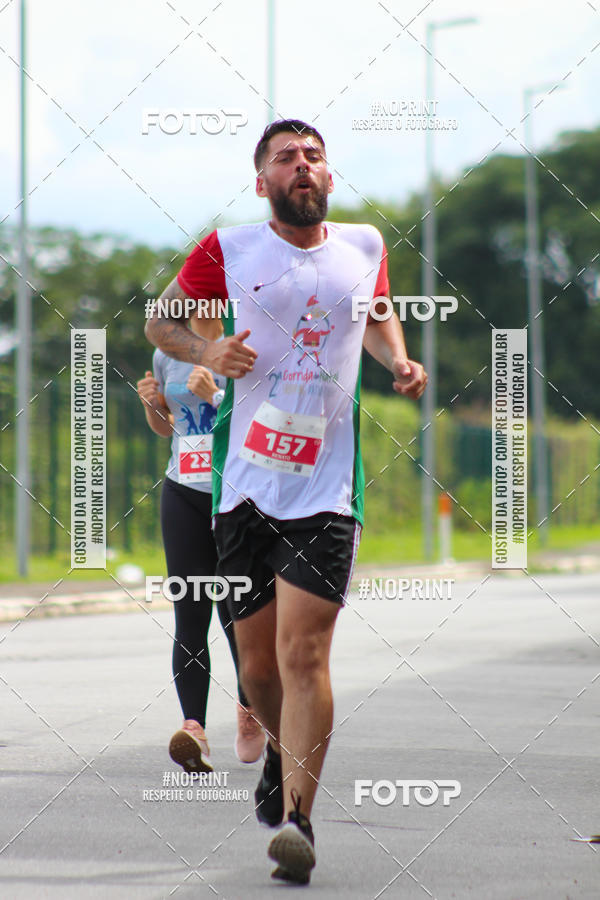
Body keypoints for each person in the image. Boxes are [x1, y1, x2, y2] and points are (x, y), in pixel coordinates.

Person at [144, 118, 427, 885]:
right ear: (263, 180)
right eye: (284, 158)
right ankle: (276, 747)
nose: (301, 166)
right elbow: (159, 320)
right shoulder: (227, 249)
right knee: (261, 668)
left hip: (328, 487)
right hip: (242, 483)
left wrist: (398, 358)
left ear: (328, 176)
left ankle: (300, 818)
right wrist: (208, 351)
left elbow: (374, 314)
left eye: (312, 156)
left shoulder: (364, 245)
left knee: (306, 653)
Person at [136, 313, 266, 773]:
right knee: (190, 612)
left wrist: (215, 394)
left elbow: (265, 423)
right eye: (186, 297)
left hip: (236, 495)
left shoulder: (244, 347)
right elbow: (168, 428)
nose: (194, 304)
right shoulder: (167, 351)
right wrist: (153, 406)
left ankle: (251, 710)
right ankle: (193, 730)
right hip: (182, 490)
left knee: (237, 610)